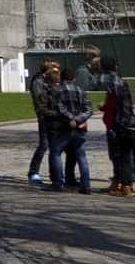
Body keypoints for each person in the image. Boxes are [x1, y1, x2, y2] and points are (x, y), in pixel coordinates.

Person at [97, 55, 135, 197]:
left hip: (121, 125)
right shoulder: (123, 82)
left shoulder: (111, 82)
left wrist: (104, 108)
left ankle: (125, 186)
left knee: (123, 156)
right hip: (134, 123)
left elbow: (99, 84)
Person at [46, 66, 92, 194]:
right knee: (81, 156)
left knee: (55, 153)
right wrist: (79, 120)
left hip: (63, 127)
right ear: (74, 78)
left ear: (62, 78)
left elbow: (60, 107)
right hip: (79, 128)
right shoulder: (80, 90)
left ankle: (58, 183)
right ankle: (86, 185)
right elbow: (89, 109)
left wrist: (71, 119)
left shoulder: (57, 91)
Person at [27, 59, 59, 186]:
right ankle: (33, 172)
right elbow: (40, 101)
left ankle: (55, 174)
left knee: (54, 147)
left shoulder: (51, 82)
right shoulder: (38, 82)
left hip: (56, 118)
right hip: (45, 117)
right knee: (44, 145)